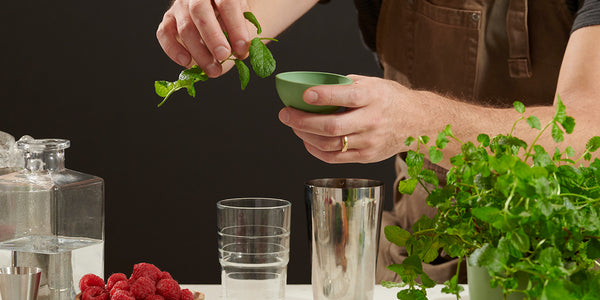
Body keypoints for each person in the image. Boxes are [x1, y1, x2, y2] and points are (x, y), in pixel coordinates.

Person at [156, 0, 600, 283]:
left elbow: (587, 134)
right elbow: (242, 17)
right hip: (421, 265)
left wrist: (418, 121)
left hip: (564, 271)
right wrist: (212, 16)